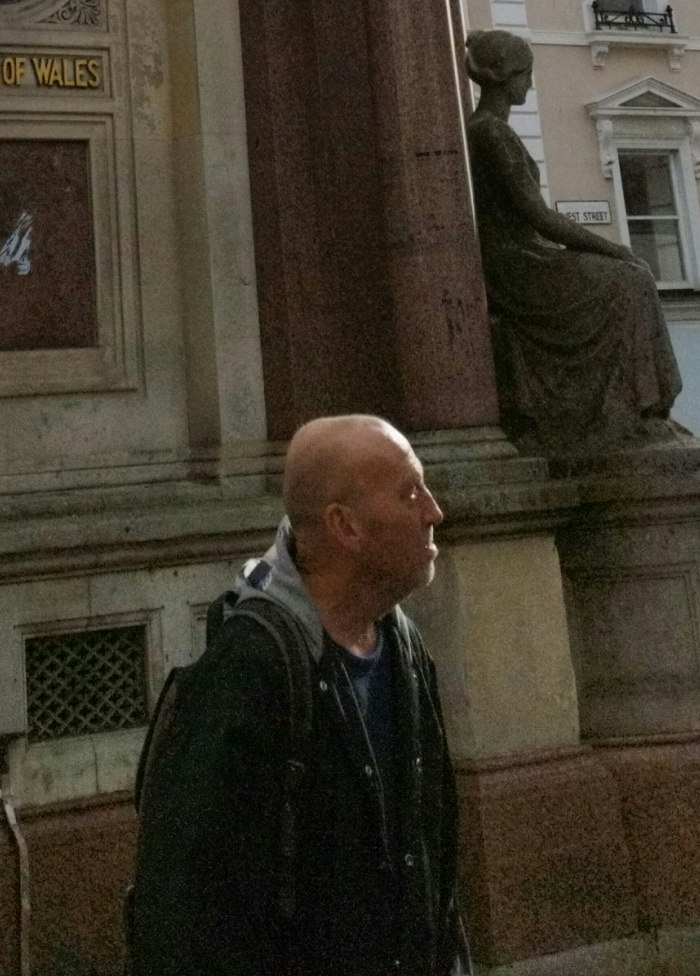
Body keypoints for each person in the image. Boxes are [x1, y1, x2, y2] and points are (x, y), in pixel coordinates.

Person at [128, 414, 469, 976]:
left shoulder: (402, 644)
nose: (434, 512)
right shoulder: (250, 669)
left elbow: (433, 863)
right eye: (410, 493)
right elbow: (186, 913)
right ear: (346, 526)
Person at [463, 30, 684, 453]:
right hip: (516, 263)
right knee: (628, 280)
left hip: (525, 255)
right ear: (506, 77)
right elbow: (538, 216)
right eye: (525, 74)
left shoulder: (492, 131)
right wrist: (610, 247)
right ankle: (643, 407)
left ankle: (643, 408)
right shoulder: (490, 133)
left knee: (629, 277)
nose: (529, 84)